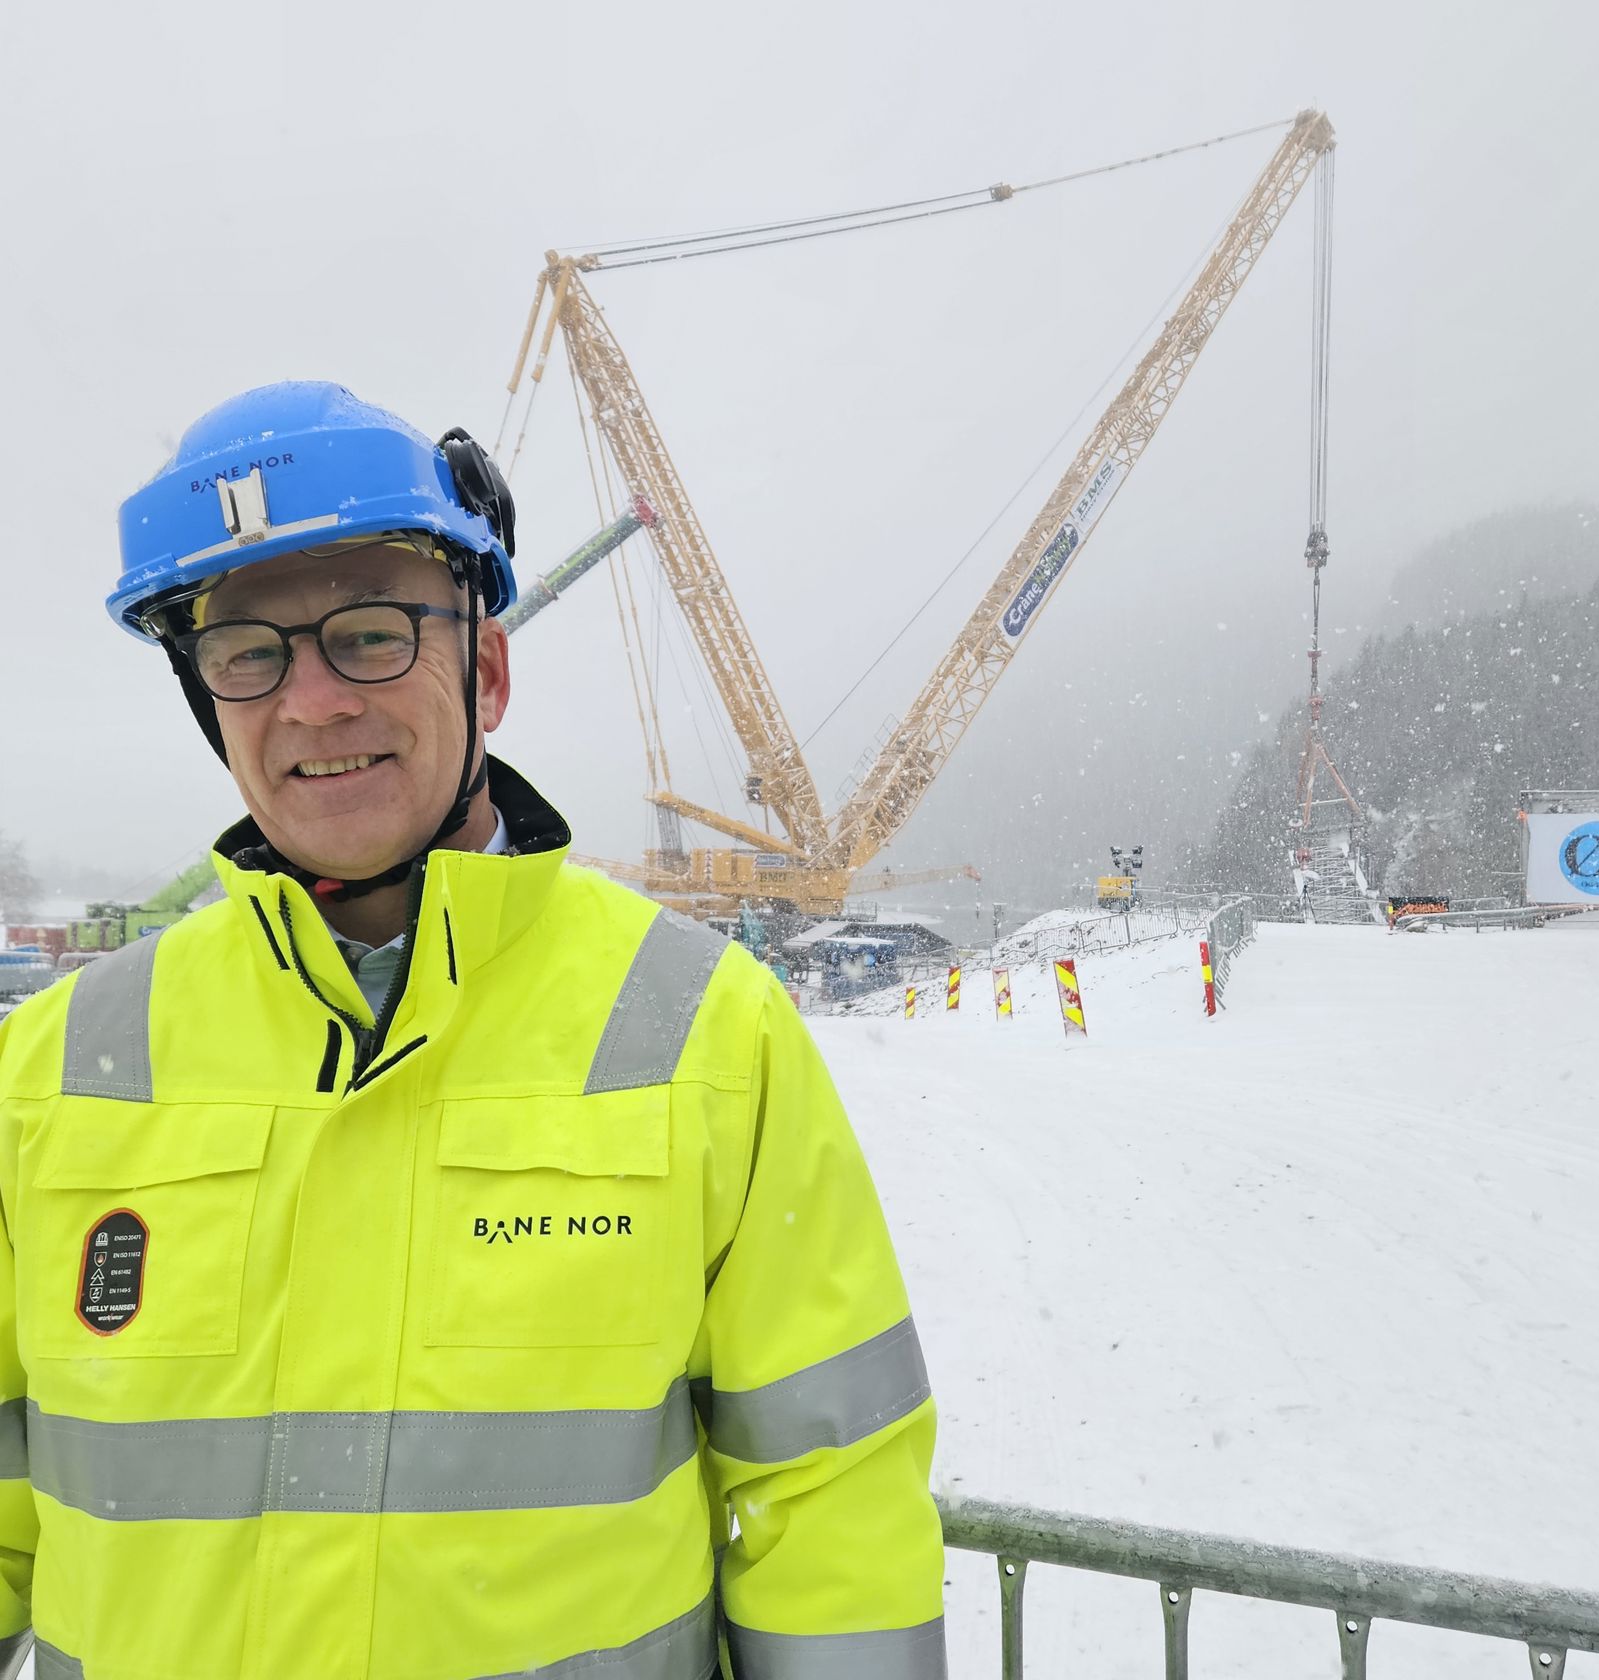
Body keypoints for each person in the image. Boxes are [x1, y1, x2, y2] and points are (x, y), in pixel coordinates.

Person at [0, 383, 946, 1680]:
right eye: (249, 655)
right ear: (208, 697)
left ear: (484, 668)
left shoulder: (706, 1037)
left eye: (372, 635)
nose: (313, 703)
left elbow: (829, 1509)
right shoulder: (56, 1070)